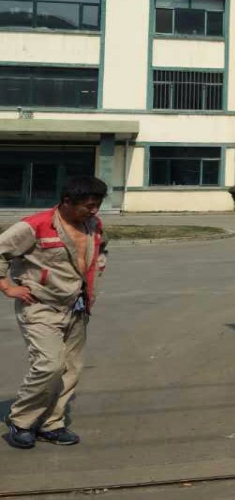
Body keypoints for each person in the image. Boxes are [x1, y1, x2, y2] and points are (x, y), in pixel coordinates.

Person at [1, 177, 109, 449]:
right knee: (49, 365)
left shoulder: (93, 225)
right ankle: (22, 421)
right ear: (67, 202)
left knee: (71, 369)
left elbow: (101, 249)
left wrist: (97, 272)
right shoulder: (34, 226)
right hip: (41, 307)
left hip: (78, 306)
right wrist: (7, 286)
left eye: (97, 205)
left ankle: (51, 423)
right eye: (88, 206)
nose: (94, 210)